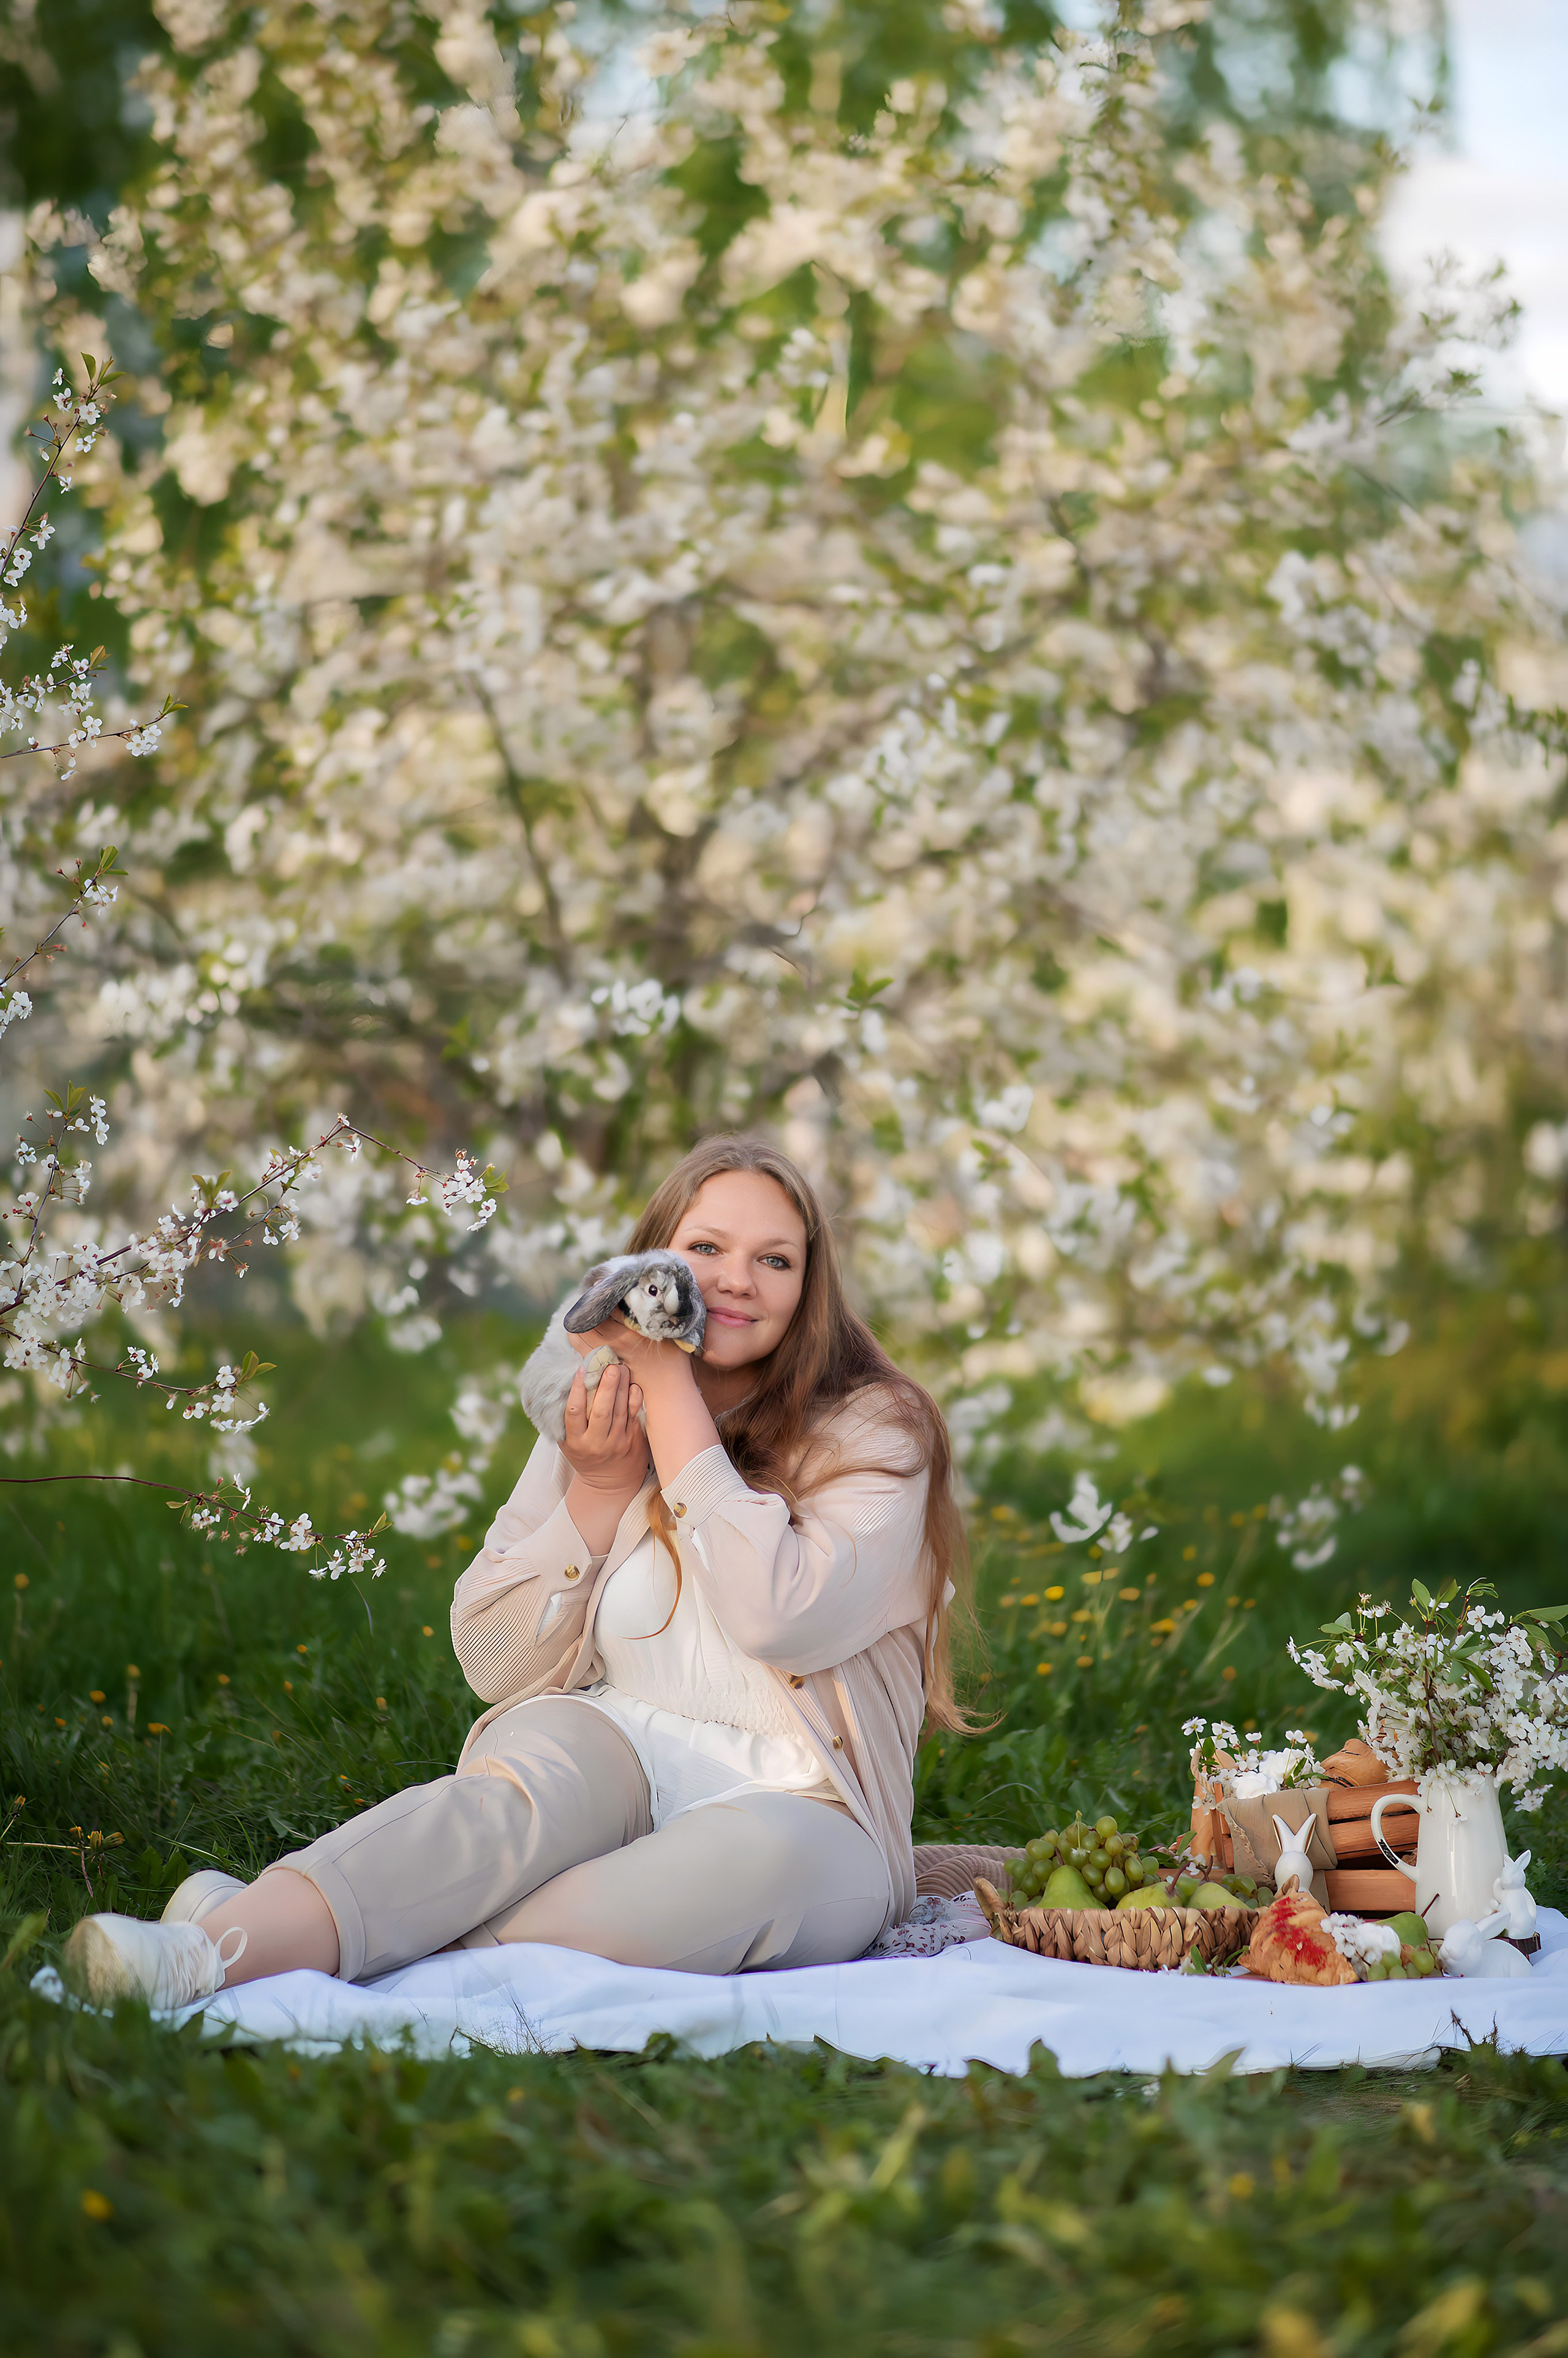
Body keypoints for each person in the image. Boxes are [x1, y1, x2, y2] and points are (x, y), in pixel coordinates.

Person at [64, 1136, 970, 2008]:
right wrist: (600, 1487)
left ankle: (272, 1928)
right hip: (622, 1743)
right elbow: (494, 1659)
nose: (737, 1279)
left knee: (646, 1903)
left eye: (775, 1259)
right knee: (497, 1813)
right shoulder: (603, 1402)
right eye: (706, 1248)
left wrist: (670, 1392)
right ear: (654, 1263)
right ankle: (201, 1957)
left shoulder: (878, 1431)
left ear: (810, 1286)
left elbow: (777, 1617)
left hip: (809, 1804)